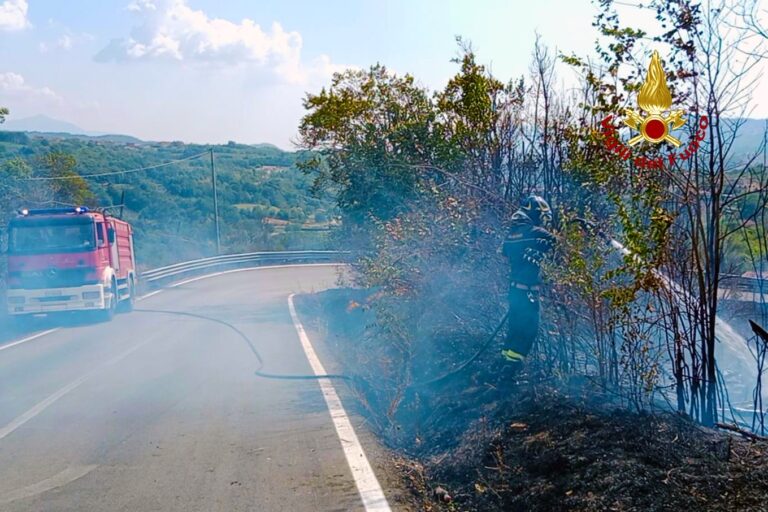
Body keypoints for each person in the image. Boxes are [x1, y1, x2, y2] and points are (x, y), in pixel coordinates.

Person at [500, 195, 555, 365]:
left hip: (515, 291)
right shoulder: (533, 231)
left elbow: (505, 252)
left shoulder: (512, 233)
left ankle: (502, 366)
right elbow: (556, 242)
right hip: (528, 294)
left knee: (514, 330)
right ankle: (510, 371)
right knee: (528, 332)